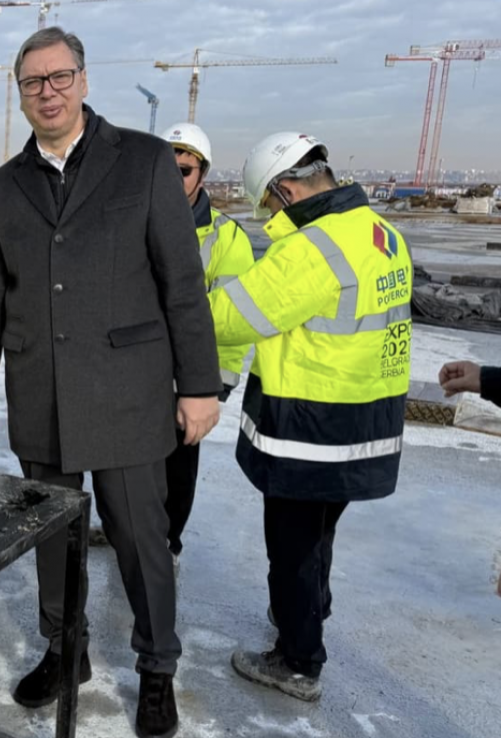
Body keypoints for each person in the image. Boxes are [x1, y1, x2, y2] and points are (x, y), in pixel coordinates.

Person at [0, 28, 221, 736]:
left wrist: (199, 386)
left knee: (140, 537)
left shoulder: (139, 161)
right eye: (32, 82)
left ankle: (156, 667)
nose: (47, 92)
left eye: (58, 77)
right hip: (40, 393)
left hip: (128, 392)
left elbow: (181, 282)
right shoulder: (4, 187)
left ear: (82, 78)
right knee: (53, 536)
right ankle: (63, 648)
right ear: (19, 94)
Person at [209, 132, 411, 701]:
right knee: (321, 532)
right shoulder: (381, 234)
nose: (271, 216)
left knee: (292, 545)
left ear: (285, 189)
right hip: (366, 417)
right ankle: (310, 614)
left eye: (269, 205)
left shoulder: (312, 246)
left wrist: (179, 307)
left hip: (310, 424)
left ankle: (298, 661)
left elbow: (235, 317)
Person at [157, 122, 255, 567]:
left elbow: (232, 319)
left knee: (178, 467)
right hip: (140, 370)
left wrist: (213, 386)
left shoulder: (227, 238)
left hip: (194, 376)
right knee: (133, 464)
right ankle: (136, 532)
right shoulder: (136, 221)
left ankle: (167, 543)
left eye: (182, 169)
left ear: (202, 175)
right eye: (164, 169)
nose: (172, 178)